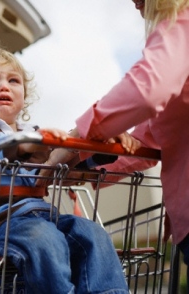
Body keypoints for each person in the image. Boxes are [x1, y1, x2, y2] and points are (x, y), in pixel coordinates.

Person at [0, 42, 130, 294]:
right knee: (45, 240)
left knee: (93, 235)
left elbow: (61, 168)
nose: (4, 85)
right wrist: (26, 145)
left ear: (24, 97)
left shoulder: (32, 135)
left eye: (14, 81)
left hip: (44, 218)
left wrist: (99, 152)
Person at [48, 0, 189, 287]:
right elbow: (148, 142)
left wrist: (77, 138)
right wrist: (88, 165)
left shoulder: (182, 21)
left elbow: (147, 91)